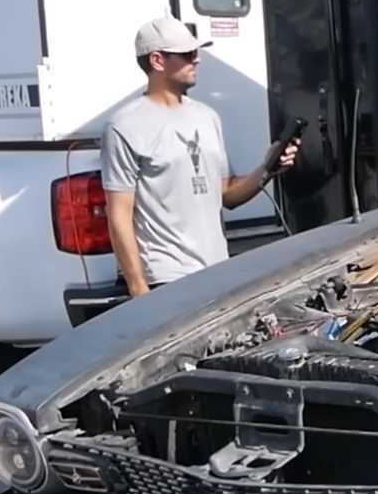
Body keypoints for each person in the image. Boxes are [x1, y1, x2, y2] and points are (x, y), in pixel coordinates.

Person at [102, 17, 298, 296]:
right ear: (157, 60)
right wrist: (138, 288)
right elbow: (118, 214)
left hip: (217, 271)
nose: (198, 60)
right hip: (166, 279)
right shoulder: (124, 126)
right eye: (187, 54)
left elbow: (227, 194)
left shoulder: (207, 117)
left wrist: (267, 168)